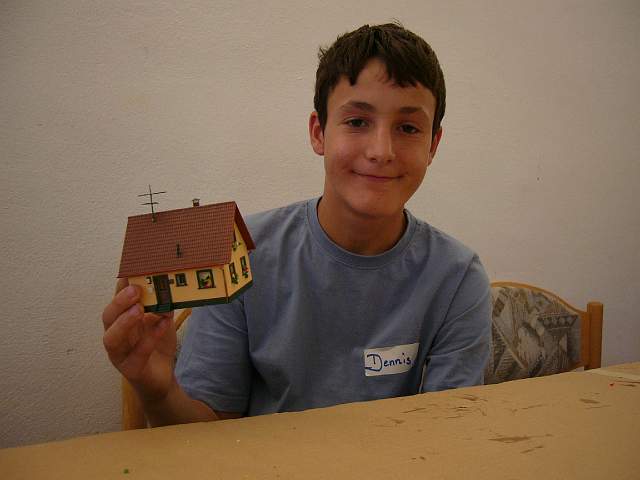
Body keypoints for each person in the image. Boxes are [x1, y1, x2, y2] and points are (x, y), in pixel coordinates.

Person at [102, 23, 491, 427]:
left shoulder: (457, 278)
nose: (381, 151)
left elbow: (447, 434)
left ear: (433, 146)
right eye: (357, 122)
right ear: (319, 133)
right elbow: (205, 434)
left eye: (408, 128)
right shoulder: (241, 255)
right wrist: (159, 392)